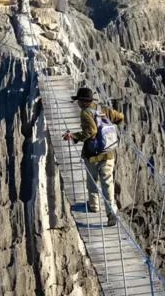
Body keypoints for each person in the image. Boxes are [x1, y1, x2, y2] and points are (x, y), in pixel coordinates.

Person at [63, 87, 124, 227]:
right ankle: (111, 212)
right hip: (108, 153)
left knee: (92, 180)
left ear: (83, 101)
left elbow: (91, 131)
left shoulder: (85, 113)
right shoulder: (103, 109)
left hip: (93, 156)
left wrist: (74, 136)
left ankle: (94, 205)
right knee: (108, 183)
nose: (77, 103)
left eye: (78, 100)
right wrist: (111, 130)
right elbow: (120, 117)